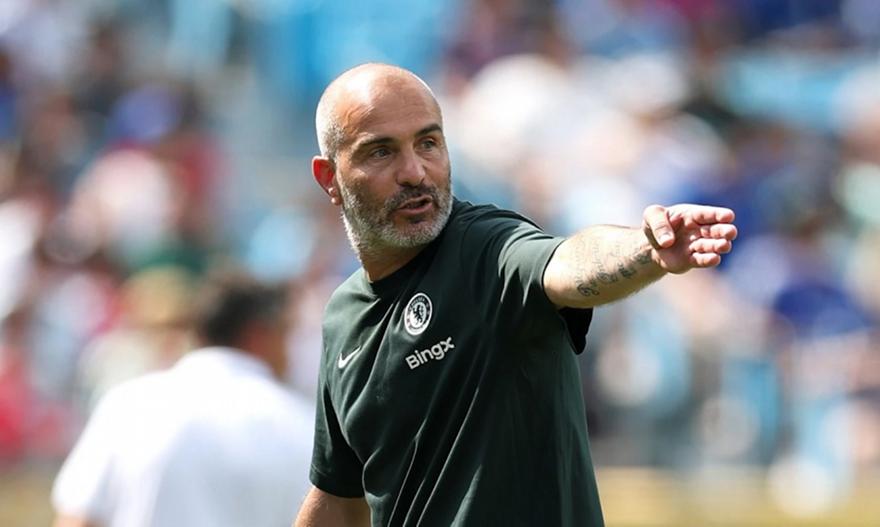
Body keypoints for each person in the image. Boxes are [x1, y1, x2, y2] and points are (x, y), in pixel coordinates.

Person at [294, 63, 737, 527]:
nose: (414, 171)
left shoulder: (486, 249)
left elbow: (566, 263)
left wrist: (647, 250)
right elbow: (339, 498)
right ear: (330, 178)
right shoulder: (344, 317)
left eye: (428, 143)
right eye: (381, 152)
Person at [52, 271, 315, 527]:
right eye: (286, 333)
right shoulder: (301, 423)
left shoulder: (129, 405)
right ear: (260, 335)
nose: (289, 351)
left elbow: (78, 519)